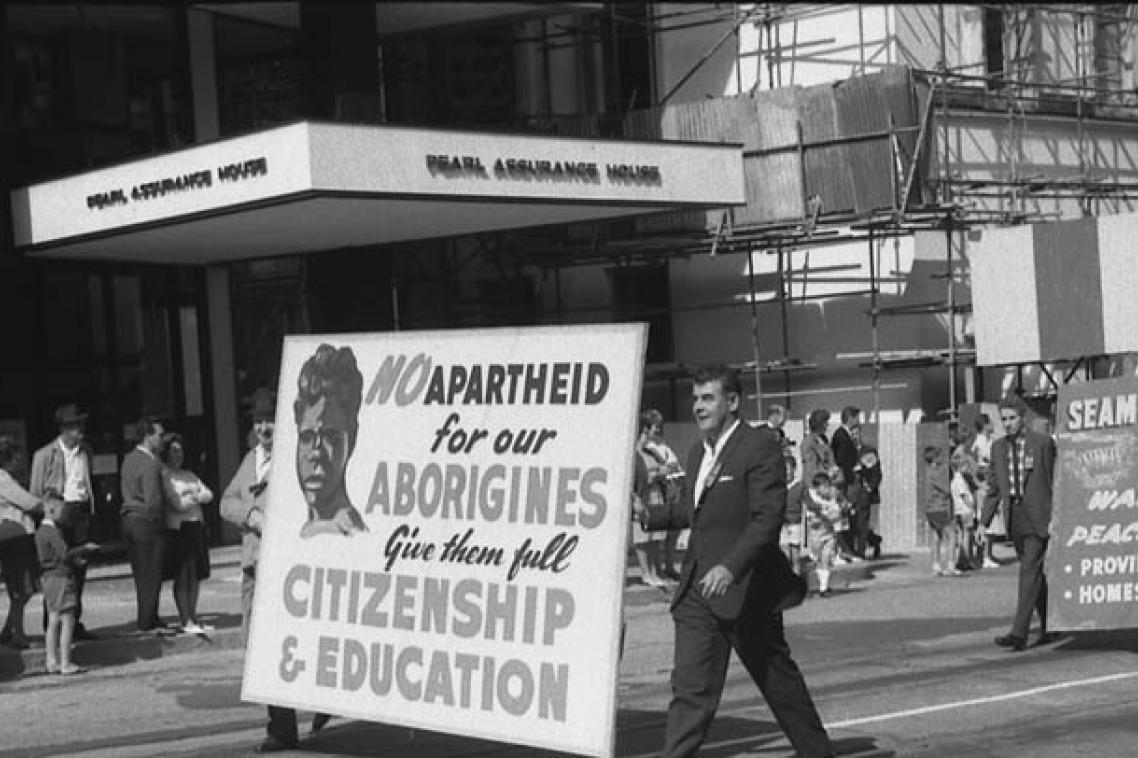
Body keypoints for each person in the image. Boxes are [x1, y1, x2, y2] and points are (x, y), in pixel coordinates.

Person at [640, 365, 832, 758]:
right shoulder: (697, 453)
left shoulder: (757, 445)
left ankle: (816, 752)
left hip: (746, 591)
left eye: (707, 398)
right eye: (695, 399)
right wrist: (648, 515)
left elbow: (767, 517)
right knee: (691, 689)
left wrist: (730, 567)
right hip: (697, 589)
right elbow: (696, 512)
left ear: (732, 401)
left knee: (777, 681)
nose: (698, 407)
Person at [221, 389, 330, 752]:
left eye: (269, 420)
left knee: (297, 645)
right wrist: (250, 514)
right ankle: (281, 727)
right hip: (254, 569)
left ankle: (322, 701)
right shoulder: (251, 460)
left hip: (287, 570)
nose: (264, 428)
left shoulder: (296, 457)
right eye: (258, 422)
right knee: (260, 651)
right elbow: (226, 501)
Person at [981, 396, 1058, 652]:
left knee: (1028, 570)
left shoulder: (1043, 443)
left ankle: (1019, 632)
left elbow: (1054, 481)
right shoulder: (998, 448)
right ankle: (1049, 624)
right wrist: (984, 522)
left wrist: (1057, 516)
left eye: (1012, 418)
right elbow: (993, 488)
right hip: (1014, 516)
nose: (1008, 424)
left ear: (1022, 417)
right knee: (1034, 574)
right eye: (1003, 419)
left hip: (1039, 515)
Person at [29, 403, 97, 640]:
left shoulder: (86, 451)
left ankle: (74, 621)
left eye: (82, 425)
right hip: (58, 511)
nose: (81, 431)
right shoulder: (46, 455)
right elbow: (36, 491)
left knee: (79, 568)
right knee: (58, 569)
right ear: (65, 429)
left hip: (80, 510)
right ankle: (53, 624)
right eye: (76, 426)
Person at [294, 344, 368, 538]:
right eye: (307, 438)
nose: (316, 453)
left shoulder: (347, 534)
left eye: (331, 439)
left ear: (351, 440)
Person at [35, 500, 98, 675]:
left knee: (53, 619)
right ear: (52, 510)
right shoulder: (53, 532)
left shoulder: (40, 532)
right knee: (68, 618)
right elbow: (65, 554)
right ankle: (65, 661)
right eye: (61, 510)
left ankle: (51, 660)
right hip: (61, 577)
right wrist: (84, 548)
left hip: (48, 577)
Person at [120, 416, 169, 634]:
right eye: (159, 435)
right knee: (151, 571)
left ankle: (148, 615)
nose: (163, 439)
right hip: (146, 520)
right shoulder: (150, 463)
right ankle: (148, 619)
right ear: (147, 436)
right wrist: (161, 519)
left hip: (129, 518)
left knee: (140, 571)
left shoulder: (129, 459)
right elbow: (153, 499)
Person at [161, 433, 213, 635]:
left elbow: (208, 494)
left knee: (196, 575)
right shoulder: (166, 475)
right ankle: (185, 618)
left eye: (180, 451)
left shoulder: (189, 474)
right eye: (174, 451)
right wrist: (194, 497)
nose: (178, 455)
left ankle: (194, 616)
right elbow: (177, 504)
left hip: (196, 527)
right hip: (179, 529)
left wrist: (192, 496)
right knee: (183, 576)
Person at [0, 436, 43, 649]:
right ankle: (19, 634)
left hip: (13, 536)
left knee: (21, 588)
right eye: (18, 457)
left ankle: (8, 629)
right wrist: (46, 504)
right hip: (14, 536)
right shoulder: (2, 479)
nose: (21, 461)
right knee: (21, 587)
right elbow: (27, 502)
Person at [635, 409, 680, 586]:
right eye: (655, 427)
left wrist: (665, 472)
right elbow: (632, 477)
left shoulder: (652, 451)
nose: (658, 431)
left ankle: (654, 572)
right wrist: (653, 476)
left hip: (657, 496)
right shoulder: (633, 452)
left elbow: (666, 466)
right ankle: (646, 573)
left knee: (655, 537)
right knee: (643, 538)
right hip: (642, 497)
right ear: (645, 429)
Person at [803, 472, 843, 598]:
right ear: (816, 488)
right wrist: (821, 517)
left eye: (828, 486)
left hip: (829, 534)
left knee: (826, 558)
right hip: (815, 536)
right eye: (824, 487)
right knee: (816, 560)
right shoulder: (812, 500)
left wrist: (838, 513)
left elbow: (839, 509)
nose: (827, 490)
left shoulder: (833, 496)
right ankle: (806, 586)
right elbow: (812, 520)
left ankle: (823, 588)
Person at [971, 413, 1002, 568]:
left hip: (990, 484)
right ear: (985, 425)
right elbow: (979, 466)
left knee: (993, 520)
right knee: (987, 519)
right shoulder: (981, 443)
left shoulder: (988, 441)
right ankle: (984, 556)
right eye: (990, 422)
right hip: (986, 486)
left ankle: (988, 554)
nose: (993, 425)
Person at [923, 446, 958, 577]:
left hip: (929, 508)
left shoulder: (927, 471)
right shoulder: (937, 472)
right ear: (935, 458)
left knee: (936, 536)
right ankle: (951, 564)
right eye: (940, 456)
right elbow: (947, 489)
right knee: (952, 535)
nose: (943, 459)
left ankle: (936, 564)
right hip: (940, 507)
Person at [849, 445, 883, 559]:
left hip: (863, 493)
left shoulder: (868, 451)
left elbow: (877, 473)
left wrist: (869, 488)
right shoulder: (845, 449)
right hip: (851, 491)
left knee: (862, 522)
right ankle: (874, 540)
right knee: (854, 523)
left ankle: (860, 551)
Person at [780, 456, 804, 574]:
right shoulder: (779, 486)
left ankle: (796, 580)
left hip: (795, 524)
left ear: (794, 469)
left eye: (788, 469)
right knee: (785, 556)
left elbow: (807, 504)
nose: (786, 472)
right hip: (782, 524)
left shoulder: (800, 486)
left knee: (795, 557)